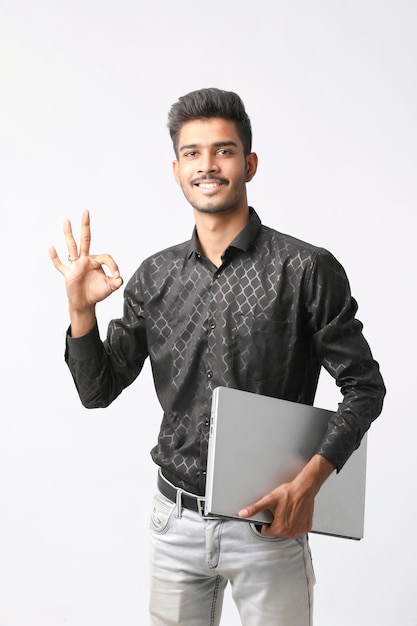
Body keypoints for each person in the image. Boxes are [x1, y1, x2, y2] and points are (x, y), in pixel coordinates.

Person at [49, 87, 386, 626]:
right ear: (177, 170)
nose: (207, 165)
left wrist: (310, 483)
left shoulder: (305, 269)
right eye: (192, 153)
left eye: (224, 151)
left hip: (269, 523)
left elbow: (365, 388)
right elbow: (97, 391)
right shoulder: (153, 277)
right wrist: (80, 312)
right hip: (173, 523)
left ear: (249, 163)